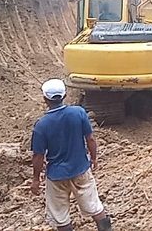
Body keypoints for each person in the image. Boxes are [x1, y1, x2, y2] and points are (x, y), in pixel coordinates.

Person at [30, 79, 113, 231]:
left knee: (60, 217)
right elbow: (90, 138)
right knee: (95, 206)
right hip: (81, 168)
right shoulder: (78, 112)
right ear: (64, 95)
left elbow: (38, 156)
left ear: (45, 99)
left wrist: (36, 179)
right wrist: (93, 158)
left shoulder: (41, 125)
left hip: (56, 176)